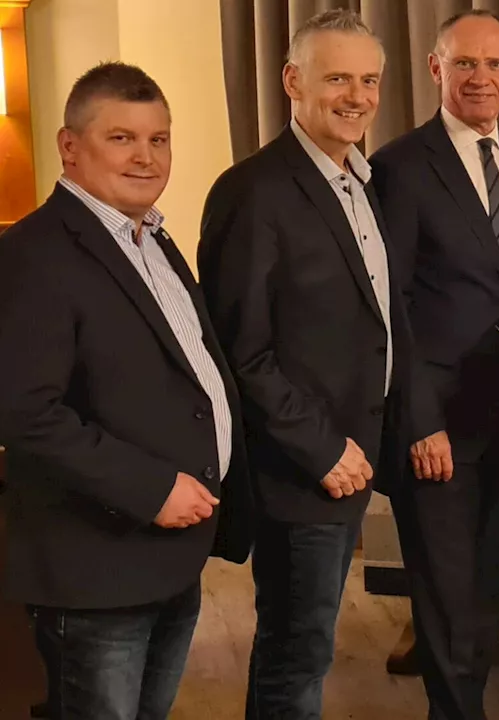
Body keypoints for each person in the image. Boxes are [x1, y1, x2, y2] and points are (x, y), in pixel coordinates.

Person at [0, 62, 252, 719]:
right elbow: (24, 412)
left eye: (159, 139)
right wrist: (151, 489)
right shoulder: (35, 253)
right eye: (121, 139)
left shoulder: (153, 240)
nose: (145, 156)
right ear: (69, 146)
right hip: (95, 570)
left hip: (166, 558)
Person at [198, 10, 409, 718]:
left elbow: (378, 322)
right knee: (298, 653)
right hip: (304, 470)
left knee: (308, 647)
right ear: (292, 81)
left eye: (370, 81)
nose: (358, 96)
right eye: (338, 78)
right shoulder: (252, 192)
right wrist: (322, 450)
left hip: (356, 455)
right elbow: (240, 352)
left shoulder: (360, 181)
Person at [368, 10, 499, 720]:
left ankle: (466, 705)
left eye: (494, 65)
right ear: (436, 69)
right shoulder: (401, 167)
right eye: (465, 64)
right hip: (436, 425)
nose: (481, 78)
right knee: (440, 589)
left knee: (480, 585)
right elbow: (392, 312)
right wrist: (417, 421)